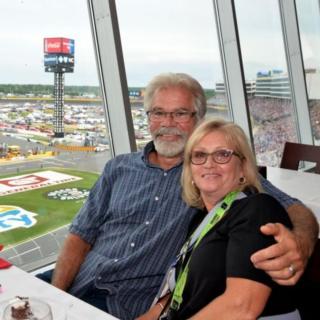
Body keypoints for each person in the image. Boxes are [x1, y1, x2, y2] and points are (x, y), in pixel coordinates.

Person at [40, 73, 318, 320]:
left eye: (180, 114)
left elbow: (295, 210)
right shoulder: (118, 168)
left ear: (198, 120)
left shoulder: (214, 175)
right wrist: (56, 294)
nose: (168, 123)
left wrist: (301, 246)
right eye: (158, 113)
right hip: (76, 283)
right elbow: (80, 235)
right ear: (147, 118)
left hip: (122, 305)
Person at [138, 119, 301, 320]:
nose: (209, 163)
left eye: (222, 154)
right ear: (190, 170)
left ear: (242, 167)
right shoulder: (201, 219)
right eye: (199, 155)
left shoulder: (259, 210)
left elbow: (241, 307)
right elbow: (190, 286)